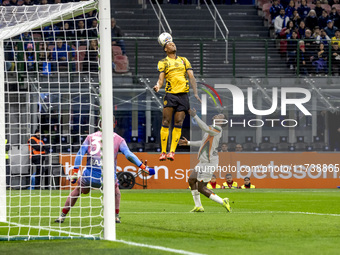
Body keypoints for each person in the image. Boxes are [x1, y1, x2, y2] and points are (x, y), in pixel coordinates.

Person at [55, 117, 155, 224]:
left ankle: (62, 216)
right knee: (116, 192)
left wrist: (75, 172)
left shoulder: (90, 137)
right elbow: (128, 155)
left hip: (89, 177)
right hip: (107, 179)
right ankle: (115, 217)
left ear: (100, 124)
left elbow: (80, 153)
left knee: (78, 190)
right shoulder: (119, 139)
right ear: (114, 124)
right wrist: (144, 167)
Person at [153, 39, 200, 161]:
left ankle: (172, 152)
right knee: (166, 121)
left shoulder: (184, 60)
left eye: (173, 43)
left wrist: (195, 93)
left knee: (179, 122)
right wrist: (158, 86)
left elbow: (192, 77)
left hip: (183, 96)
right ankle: (163, 152)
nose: (172, 44)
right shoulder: (163, 62)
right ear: (165, 49)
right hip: (171, 95)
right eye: (169, 44)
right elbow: (161, 79)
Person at [178, 108, 230, 213]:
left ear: (222, 122)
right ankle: (198, 206)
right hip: (203, 161)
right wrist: (188, 143)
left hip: (210, 162)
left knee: (201, 188)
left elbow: (205, 128)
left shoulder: (218, 129)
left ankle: (223, 201)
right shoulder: (212, 129)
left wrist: (195, 116)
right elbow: (202, 142)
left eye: (220, 116)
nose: (217, 115)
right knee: (191, 180)